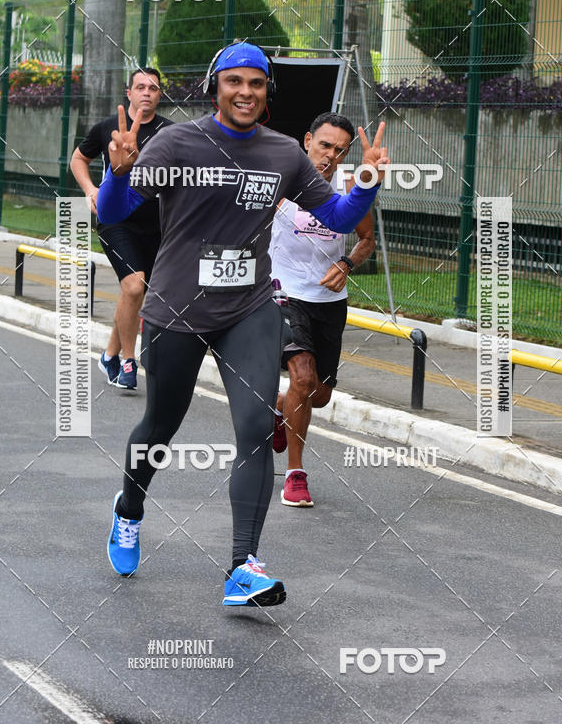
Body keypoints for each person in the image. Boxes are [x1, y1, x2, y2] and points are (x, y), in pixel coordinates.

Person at [96, 41, 389, 608]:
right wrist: (117, 172)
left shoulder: (283, 154)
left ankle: (242, 567)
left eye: (256, 83)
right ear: (215, 88)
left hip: (249, 308)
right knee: (159, 427)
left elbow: (335, 217)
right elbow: (112, 212)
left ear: (267, 93)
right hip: (178, 308)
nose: (246, 92)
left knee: (256, 428)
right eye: (235, 82)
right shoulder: (177, 142)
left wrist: (367, 185)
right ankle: (128, 509)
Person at [269, 111, 376, 508]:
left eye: (339, 150)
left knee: (319, 395)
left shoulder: (351, 190)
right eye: (324, 145)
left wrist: (346, 264)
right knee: (301, 377)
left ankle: (281, 409)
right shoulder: (281, 182)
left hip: (328, 301)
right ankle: (295, 475)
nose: (329, 155)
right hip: (283, 292)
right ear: (307, 140)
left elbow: (366, 240)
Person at [70, 68, 173, 390]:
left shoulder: (171, 133)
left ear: (159, 95)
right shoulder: (107, 128)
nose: (147, 92)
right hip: (115, 221)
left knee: (137, 291)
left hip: (157, 225)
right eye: (140, 87)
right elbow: (78, 159)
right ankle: (129, 361)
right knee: (133, 287)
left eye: (153, 88)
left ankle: (109, 354)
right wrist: (90, 190)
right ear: (128, 93)